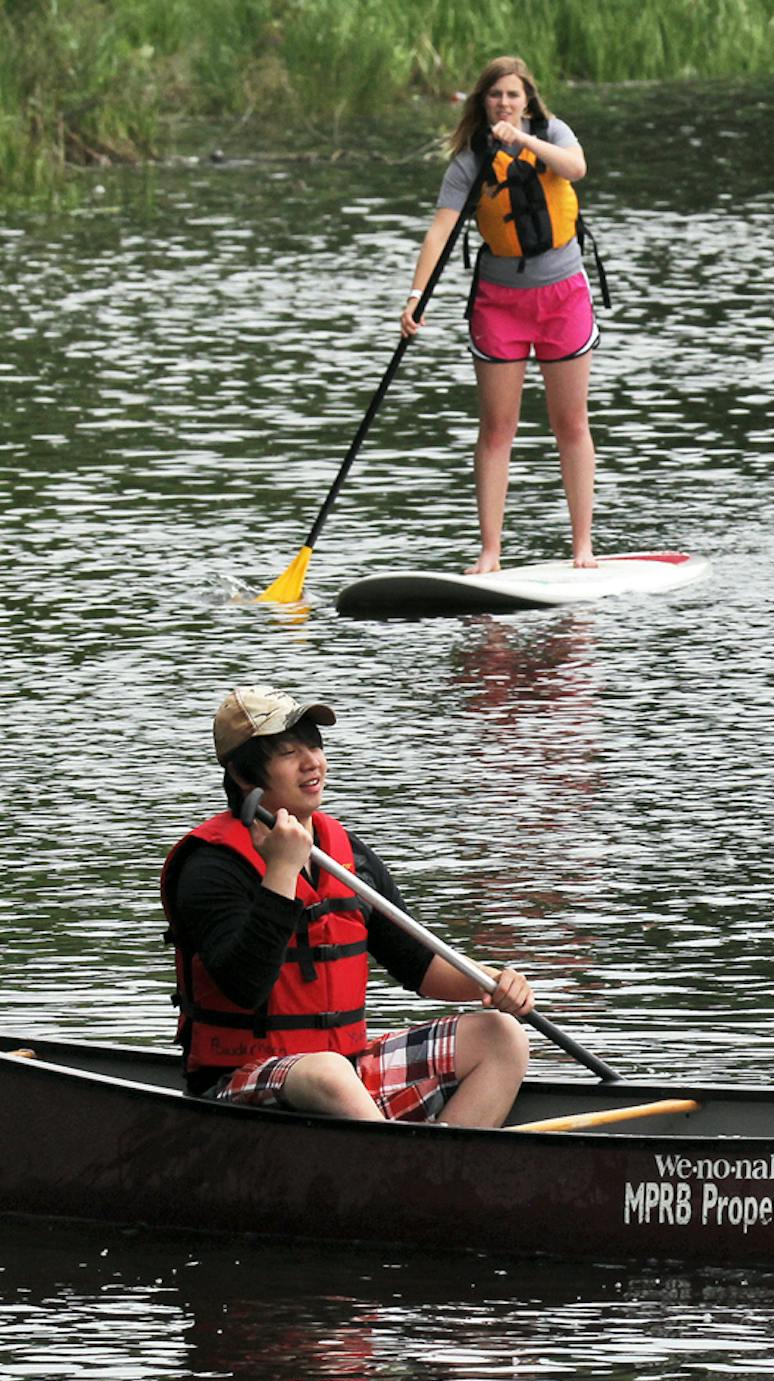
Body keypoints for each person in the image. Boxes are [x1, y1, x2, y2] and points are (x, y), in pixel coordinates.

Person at [161, 687, 535, 1126]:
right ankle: (408, 1171)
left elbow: (418, 964)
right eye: (288, 752)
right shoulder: (210, 865)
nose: (312, 762)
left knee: (501, 1037)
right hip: (237, 1083)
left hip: (344, 1070)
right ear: (244, 777)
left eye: (315, 746)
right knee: (328, 1071)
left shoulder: (347, 855)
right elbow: (245, 986)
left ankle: (441, 1170)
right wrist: (281, 872)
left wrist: (492, 982)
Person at [400, 55, 600, 576]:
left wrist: (525, 140)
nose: (504, 103)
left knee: (570, 423)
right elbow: (440, 231)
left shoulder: (553, 131)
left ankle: (583, 546)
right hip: (500, 303)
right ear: (482, 102)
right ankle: (490, 551)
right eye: (495, 96)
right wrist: (416, 295)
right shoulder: (470, 159)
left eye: (513, 95)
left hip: (563, 298)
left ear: (527, 99)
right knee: (496, 429)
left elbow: (576, 168)